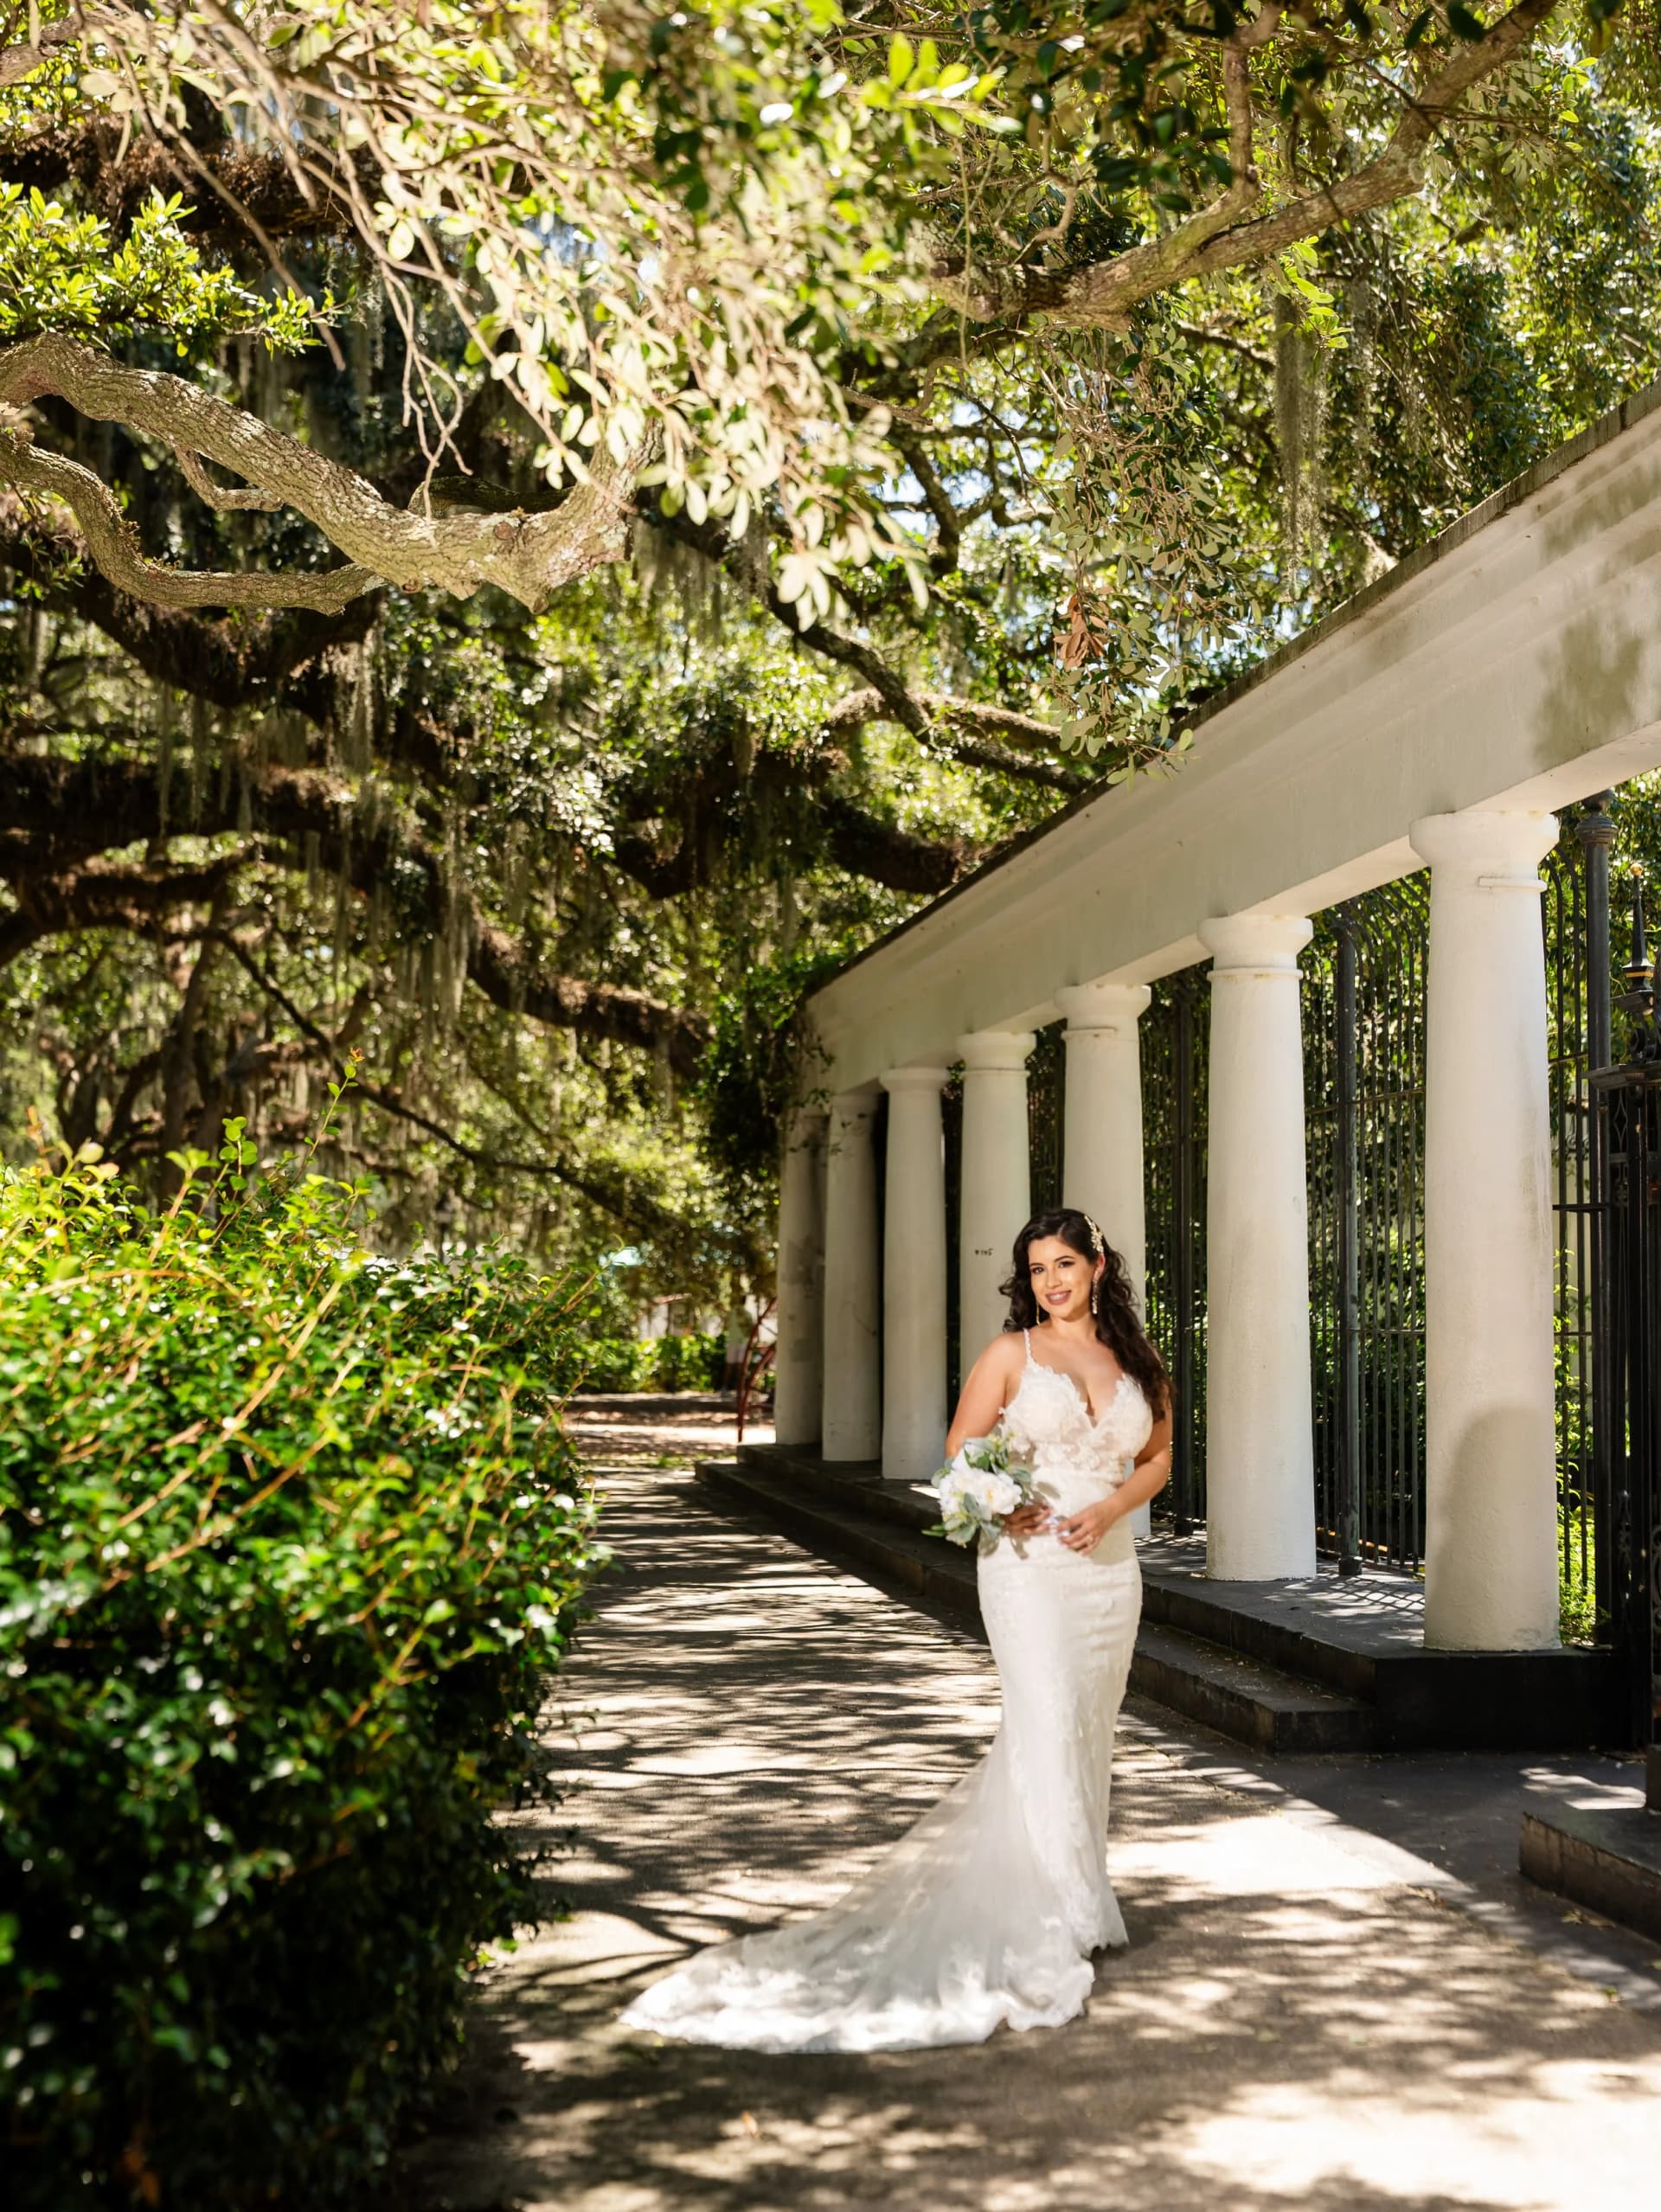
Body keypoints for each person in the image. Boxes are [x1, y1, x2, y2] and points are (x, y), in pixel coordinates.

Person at [619, 1205, 1174, 2053]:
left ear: (1097, 1264)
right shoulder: (1012, 1354)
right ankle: (1046, 1917)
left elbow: (1159, 1456)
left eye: (1064, 1263)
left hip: (1108, 1573)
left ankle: (1079, 1897)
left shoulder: (1137, 1356)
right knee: (1047, 1720)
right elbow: (960, 1452)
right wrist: (1005, 1506)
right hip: (1028, 1569)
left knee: (1088, 1727)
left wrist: (1109, 1509)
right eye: (1036, 1269)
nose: (1051, 1281)